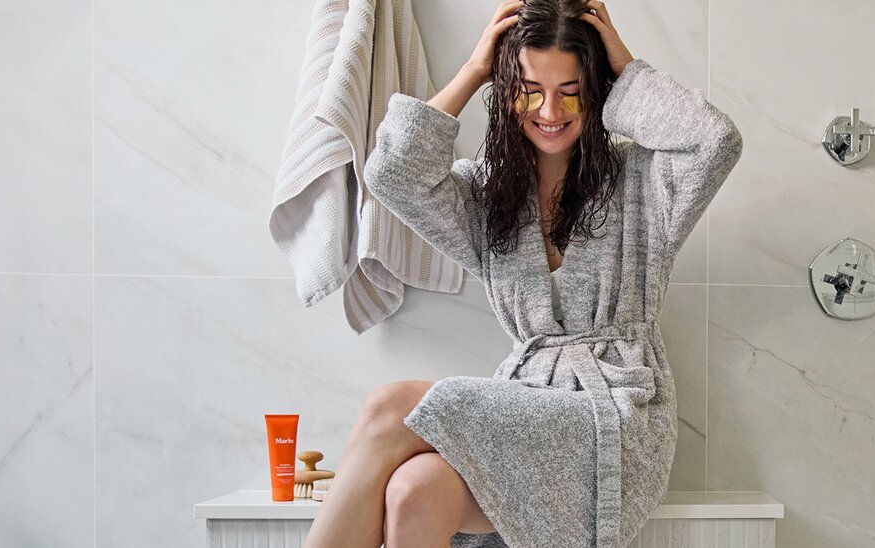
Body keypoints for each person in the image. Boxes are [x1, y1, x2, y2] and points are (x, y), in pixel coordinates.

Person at [302, 0, 743, 546]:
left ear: (596, 90)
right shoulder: (486, 198)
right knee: (414, 490)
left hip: (616, 419)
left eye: (571, 89)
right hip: (529, 404)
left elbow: (716, 140)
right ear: (507, 89)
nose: (550, 109)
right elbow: (392, 173)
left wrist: (625, 66)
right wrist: (474, 70)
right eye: (529, 88)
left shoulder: (645, 182)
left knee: (390, 406)